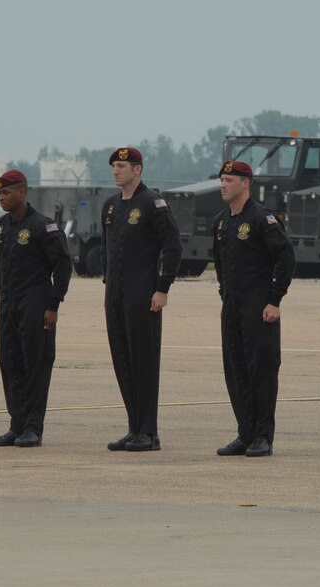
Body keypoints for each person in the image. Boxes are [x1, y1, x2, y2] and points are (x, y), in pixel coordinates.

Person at [101, 147, 182, 451]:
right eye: (113, 166)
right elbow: (106, 249)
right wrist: (108, 281)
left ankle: (148, 432)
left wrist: (163, 287)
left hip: (143, 294)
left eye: (121, 166)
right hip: (116, 295)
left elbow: (172, 247)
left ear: (138, 170)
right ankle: (134, 427)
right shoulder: (110, 206)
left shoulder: (153, 204)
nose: (115, 171)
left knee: (143, 362)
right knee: (123, 360)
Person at [213, 161, 295, 458]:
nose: (223, 184)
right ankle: (244, 433)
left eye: (229, 180)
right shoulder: (222, 221)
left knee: (261, 371)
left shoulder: (263, 219)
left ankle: (262, 436)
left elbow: (285, 259)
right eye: (222, 179)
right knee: (235, 370)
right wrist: (225, 293)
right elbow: (220, 263)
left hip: (260, 307)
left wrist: (275, 299)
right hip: (232, 306)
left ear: (245, 183)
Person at [0, 170, 72, 448]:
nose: (2, 198)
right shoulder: (0, 227)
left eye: (7, 192)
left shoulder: (42, 226)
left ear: (22, 192)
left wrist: (53, 304)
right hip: (9, 306)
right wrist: (1, 295)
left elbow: (62, 265)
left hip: (36, 304)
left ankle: (33, 427)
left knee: (34, 364)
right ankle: (17, 424)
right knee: (10, 363)